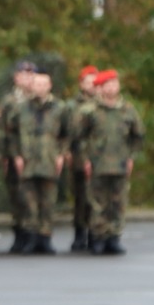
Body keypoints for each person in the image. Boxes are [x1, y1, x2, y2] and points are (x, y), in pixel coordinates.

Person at [78, 69, 143, 254]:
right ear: (100, 88)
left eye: (115, 83)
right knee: (98, 203)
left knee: (118, 202)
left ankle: (114, 237)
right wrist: (85, 159)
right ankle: (98, 237)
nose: (112, 87)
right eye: (108, 84)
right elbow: (80, 138)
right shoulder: (90, 111)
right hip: (97, 163)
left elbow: (138, 136)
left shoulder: (127, 109)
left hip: (120, 164)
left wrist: (131, 157)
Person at [4, 69, 68, 255]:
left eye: (43, 84)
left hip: (49, 159)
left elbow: (66, 134)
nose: (39, 87)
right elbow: (11, 133)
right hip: (28, 160)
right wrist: (16, 155)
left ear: (49, 86)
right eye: (37, 84)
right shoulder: (21, 108)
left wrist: (61, 154)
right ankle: (30, 237)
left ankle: (45, 237)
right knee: (28, 201)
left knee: (48, 201)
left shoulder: (59, 108)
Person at [0, 60, 36, 252]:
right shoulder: (10, 101)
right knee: (17, 195)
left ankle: (32, 235)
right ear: (16, 77)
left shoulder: (37, 99)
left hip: (35, 156)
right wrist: (8, 156)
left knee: (32, 196)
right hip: (15, 155)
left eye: (31, 74)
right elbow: (4, 131)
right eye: (24, 74)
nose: (28, 78)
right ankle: (19, 233)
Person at [67, 65, 98, 251]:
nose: (92, 85)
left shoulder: (101, 103)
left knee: (95, 198)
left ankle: (96, 233)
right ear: (81, 83)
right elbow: (69, 132)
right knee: (81, 197)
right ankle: (80, 233)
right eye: (89, 81)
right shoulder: (73, 106)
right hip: (79, 156)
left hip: (98, 159)